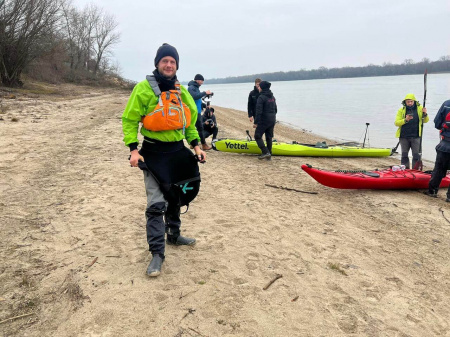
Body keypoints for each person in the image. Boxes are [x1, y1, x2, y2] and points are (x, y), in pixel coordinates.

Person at [122, 43, 206, 277]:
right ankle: (157, 253)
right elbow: (129, 120)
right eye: (165, 61)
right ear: (157, 63)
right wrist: (133, 149)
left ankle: (175, 235)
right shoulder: (143, 89)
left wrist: (196, 146)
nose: (169, 65)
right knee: (156, 204)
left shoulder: (183, 92)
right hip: (152, 153)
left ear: (176, 65)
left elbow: (189, 122)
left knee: (176, 194)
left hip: (177, 151)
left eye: (172, 61)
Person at [424, 99, 450, 201]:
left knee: (439, 169)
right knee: (439, 169)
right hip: (445, 144)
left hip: (444, 145)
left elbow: (437, 123)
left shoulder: (446, 104)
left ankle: (432, 191)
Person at [394, 93, 429, 169]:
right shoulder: (401, 110)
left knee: (416, 156)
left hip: (416, 136)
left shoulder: (420, 108)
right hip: (404, 137)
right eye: (408, 102)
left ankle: (415, 170)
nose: (410, 103)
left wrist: (425, 114)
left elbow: (425, 121)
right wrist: (405, 120)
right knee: (404, 155)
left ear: (414, 101)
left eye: (411, 101)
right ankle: (405, 170)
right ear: (405, 102)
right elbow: (396, 123)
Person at [188, 74, 213, 151]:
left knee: (196, 128)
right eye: (201, 81)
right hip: (194, 111)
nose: (202, 82)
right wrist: (205, 92)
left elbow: (197, 100)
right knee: (199, 128)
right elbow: (195, 96)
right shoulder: (191, 87)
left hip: (197, 110)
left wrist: (205, 105)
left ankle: (193, 144)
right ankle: (204, 145)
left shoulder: (196, 88)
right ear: (197, 80)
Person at [254, 80, 277, 160]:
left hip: (264, 120)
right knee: (269, 137)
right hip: (272, 119)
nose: (258, 87)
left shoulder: (261, 97)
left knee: (257, 136)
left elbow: (258, 111)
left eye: (259, 86)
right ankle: (269, 155)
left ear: (262, 88)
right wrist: (273, 117)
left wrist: (256, 122)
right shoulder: (272, 97)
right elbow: (275, 109)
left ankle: (266, 152)